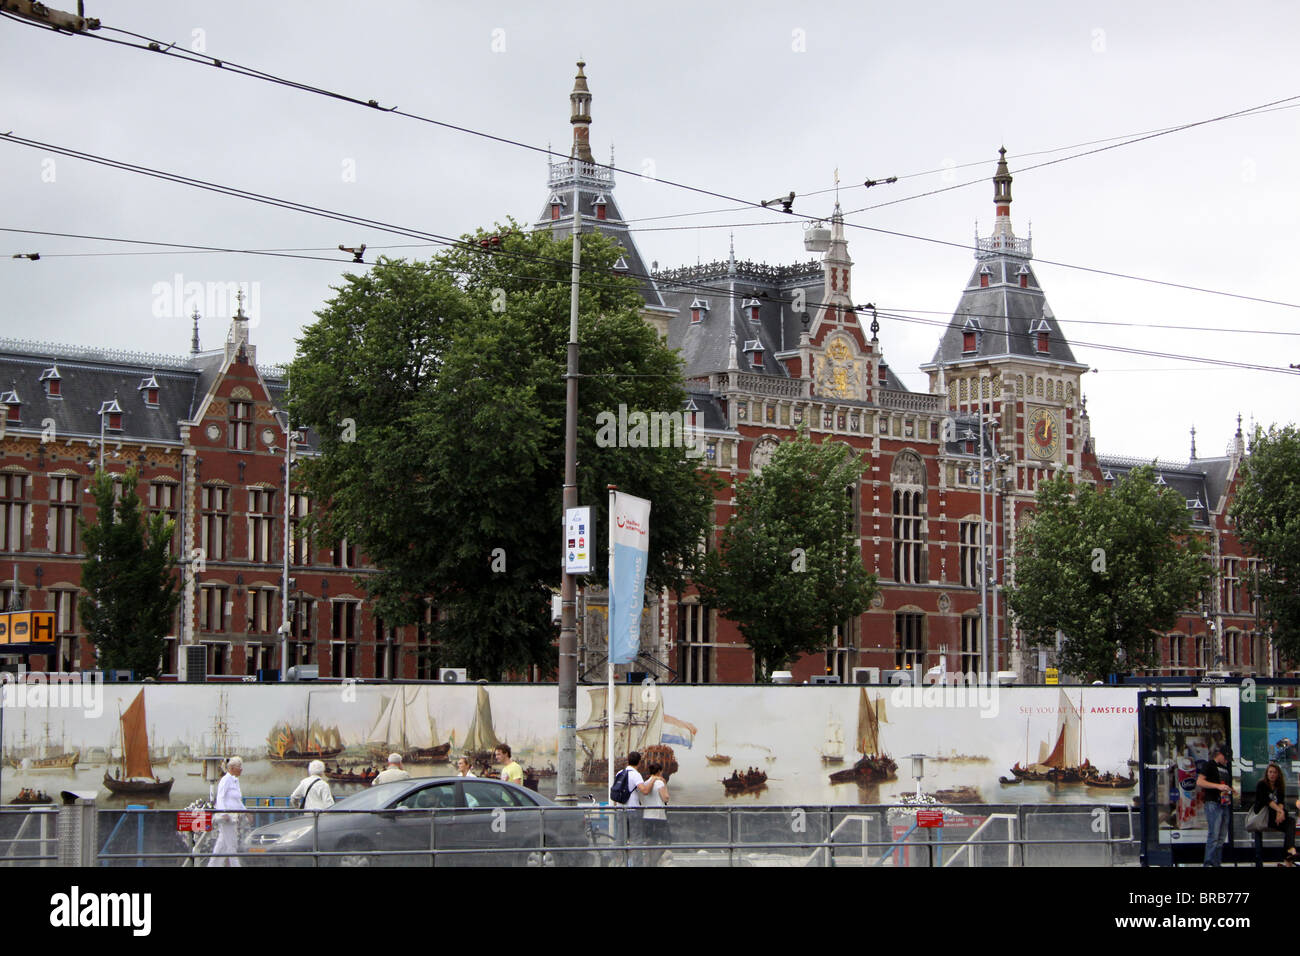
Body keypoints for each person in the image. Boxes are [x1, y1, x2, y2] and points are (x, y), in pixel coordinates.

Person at [1196, 745, 1234, 867]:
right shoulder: (1209, 765)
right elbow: (1200, 781)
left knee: (1221, 837)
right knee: (1214, 835)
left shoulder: (1225, 768)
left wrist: (1230, 789)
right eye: (1226, 758)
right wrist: (1218, 786)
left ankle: (1216, 862)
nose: (1227, 761)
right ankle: (1208, 863)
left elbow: (1223, 784)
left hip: (1224, 802)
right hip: (1213, 802)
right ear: (1220, 755)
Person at [1253, 762, 1297, 866]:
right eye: (1270, 772)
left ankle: (1288, 854)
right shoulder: (1261, 784)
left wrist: (1280, 812)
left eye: (1274, 772)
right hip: (1263, 816)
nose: (1272, 774)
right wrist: (1280, 811)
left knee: (1291, 821)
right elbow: (1267, 801)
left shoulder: (1279, 786)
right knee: (1283, 814)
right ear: (1267, 774)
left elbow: (1281, 801)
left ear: (1278, 774)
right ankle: (1289, 853)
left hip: (1275, 817)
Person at [209, 755, 244, 867]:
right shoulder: (226, 780)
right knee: (231, 846)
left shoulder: (235, 781)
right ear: (232, 768)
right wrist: (223, 813)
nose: (241, 769)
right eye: (239, 766)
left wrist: (246, 812)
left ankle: (212, 866)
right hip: (227, 819)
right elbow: (220, 797)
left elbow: (237, 801)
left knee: (221, 846)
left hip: (232, 818)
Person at [641, 761, 671, 866]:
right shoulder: (660, 783)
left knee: (650, 841)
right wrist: (665, 786)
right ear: (659, 771)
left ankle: (649, 862)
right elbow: (665, 798)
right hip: (659, 817)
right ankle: (653, 862)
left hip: (647, 816)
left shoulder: (646, 783)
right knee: (665, 841)